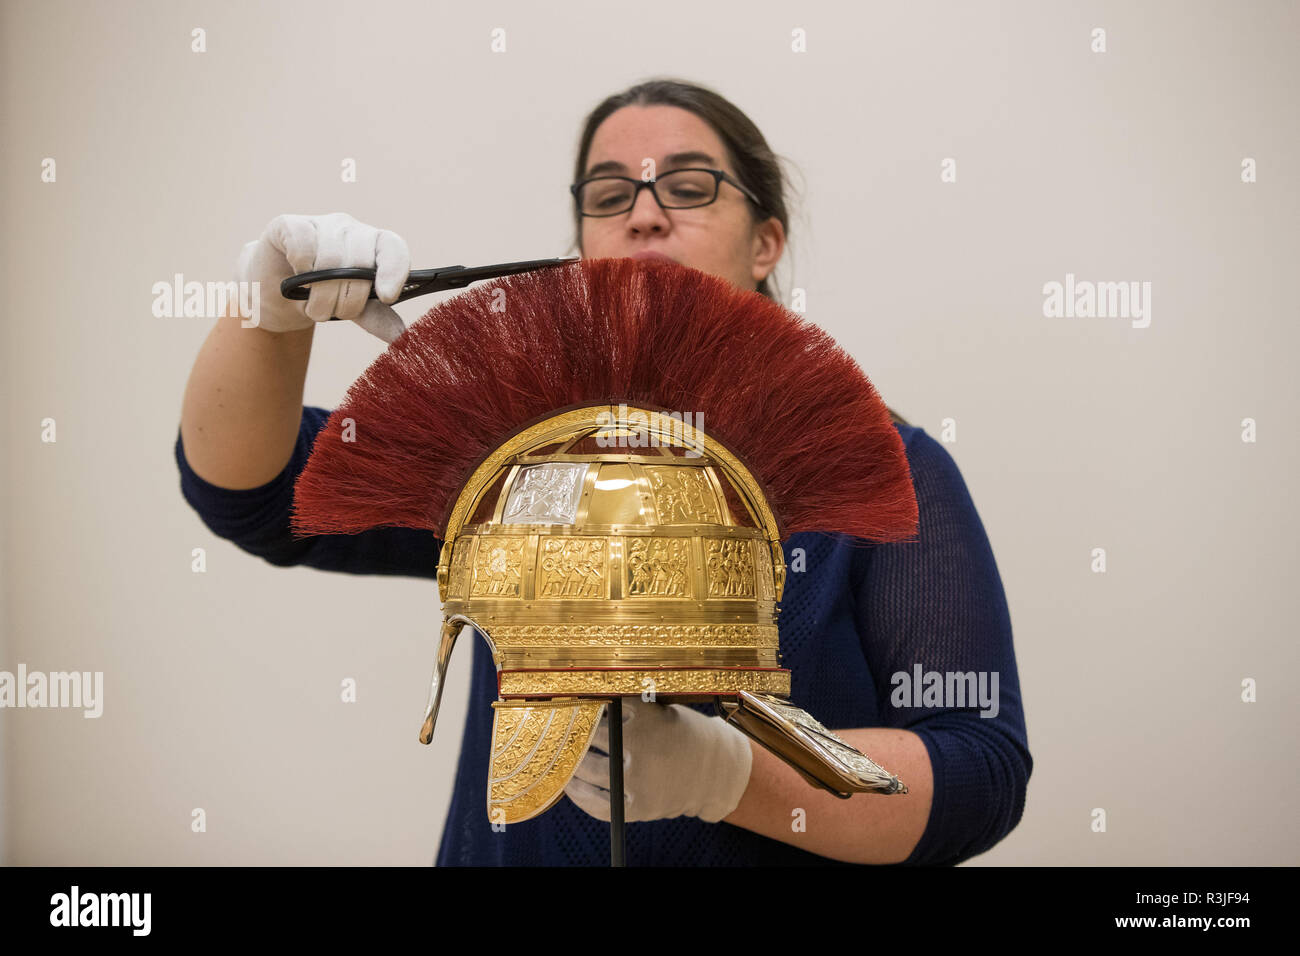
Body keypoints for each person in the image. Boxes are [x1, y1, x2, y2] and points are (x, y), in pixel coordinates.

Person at [175, 77, 1031, 866]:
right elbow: (256, 492)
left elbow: (978, 772)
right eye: (610, 195)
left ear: (766, 241)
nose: (646, 216)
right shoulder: (513, 455)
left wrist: (729, 777)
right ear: (582, 242)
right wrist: (268, 312)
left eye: (690, 188)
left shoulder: (886, 472)